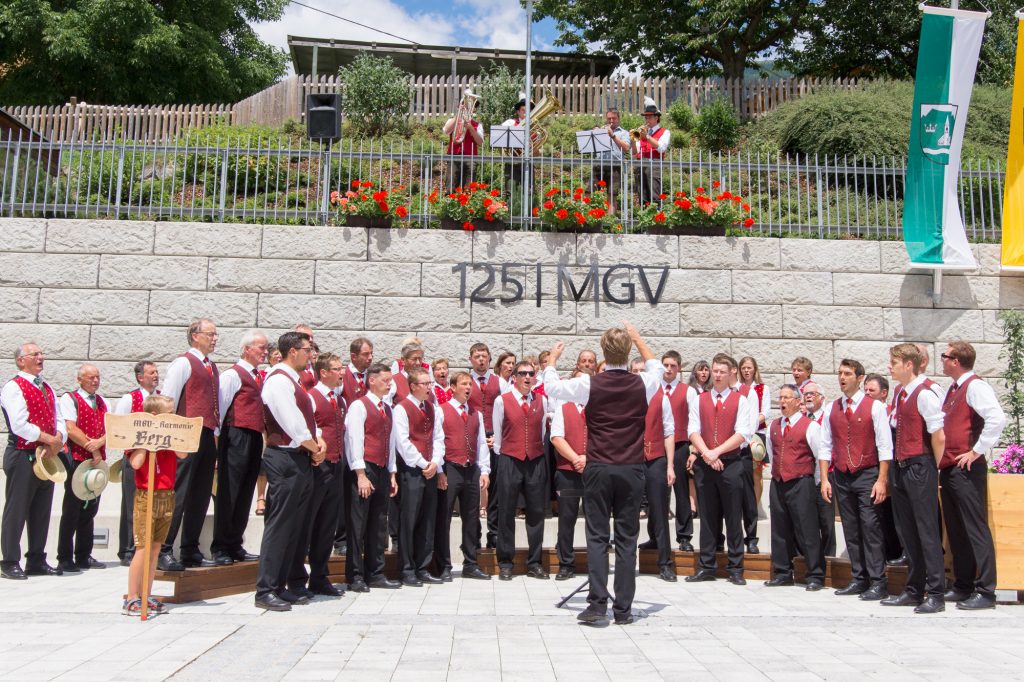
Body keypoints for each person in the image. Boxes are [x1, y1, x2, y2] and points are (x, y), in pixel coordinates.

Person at [542, 322, 665, 626]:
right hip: (631, 468)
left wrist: (553, 361)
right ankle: (623, 609)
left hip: (598, 467)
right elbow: (657, 366)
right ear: (627, 351)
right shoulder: (643, 383)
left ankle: (597, 604)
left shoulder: (589, 384)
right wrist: (638, 338)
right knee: (626, 539)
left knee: (597, 537)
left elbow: (552, 388)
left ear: (602, 352)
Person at [255, 331, 325, 612]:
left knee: (294, 527)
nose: (311, 355)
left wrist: (316, 442)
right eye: (307, 349)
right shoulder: (277, 382)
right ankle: (266, 589)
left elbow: (307, 422)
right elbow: (292, 425)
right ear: (292, 351)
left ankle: (281, 584)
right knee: (280, 525)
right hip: (284, 458)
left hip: (300, 458)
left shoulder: (294, 382)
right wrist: (314, 447)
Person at [938, 341, 1006, 610]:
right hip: (950, 468)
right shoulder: (953, 389)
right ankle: (963, 584)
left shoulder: (975, 386)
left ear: (956, 360)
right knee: (956, 529)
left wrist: (976, 451)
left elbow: (996, 418)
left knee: (975, 528)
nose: (940, 360)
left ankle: (987, 591)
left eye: (944, 356)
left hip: (966, 468)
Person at [819, 359, 893, 601]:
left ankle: (878, 581)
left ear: (859, 378)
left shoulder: (874, 407)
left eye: (847, 373)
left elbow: (884, 445)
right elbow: (825, 445)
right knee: (851, 528)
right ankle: (858, 578)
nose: (842, 377)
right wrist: (825, 479)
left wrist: (882, 480)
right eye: (840, 373)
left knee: (870, 527)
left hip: (867, 473)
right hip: (841, 474)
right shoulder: (832, 408)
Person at [882, 343, 946, 614]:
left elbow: (938, 435)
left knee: (927, 531)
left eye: (894, 363)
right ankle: (913, 588)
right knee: (907, 531)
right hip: (902, 465)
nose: (890, 367)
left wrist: (934, 469)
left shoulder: (924, 393)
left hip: (920, 465)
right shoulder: (900, 392)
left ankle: (937, 593)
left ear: (909, 364)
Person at [686, 353, 755, 586]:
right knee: (707, 517)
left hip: (731, 464)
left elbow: (743, 433)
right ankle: (706, 565)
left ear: (731, 373)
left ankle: (736, 568)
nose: (716, 375)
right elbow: (693, 430)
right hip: (706, 465)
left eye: (721, 372)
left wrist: (717, 452)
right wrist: (706, 453)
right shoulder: (700, 399)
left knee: (733, 517)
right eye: (714, 371)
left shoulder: (740, 400)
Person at [0, 343, 67, 580]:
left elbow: (58, 417)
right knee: (17, 508)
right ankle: (9, 561)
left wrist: (59, 438)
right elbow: (19, 424)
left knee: (41, 509)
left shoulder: (46, 386)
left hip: (46, 455)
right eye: (35, 354)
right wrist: (48, 438)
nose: (41, 357)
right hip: (22, 454)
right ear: (21, 361)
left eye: (41, 354)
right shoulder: (13, 387)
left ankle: (36, 559)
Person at [159, 318, 221, 571]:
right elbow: (168, 400)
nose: (215, 338)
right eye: (210, 334)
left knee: (201, 493)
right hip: (185, 433)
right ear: (195, 336)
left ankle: (190, 548)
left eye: (216, 334)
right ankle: (164, 548)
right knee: (179, 492)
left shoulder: (212, 367)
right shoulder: (183, 363)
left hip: (206, 433)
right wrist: (172, 438)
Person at [123, 394, 188, 616]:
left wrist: (168, 435)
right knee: (143, 547)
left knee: (156, 548)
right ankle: (132, 597)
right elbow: (136, 463)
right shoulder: (139, 436)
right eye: (168, 413)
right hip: (146, 495)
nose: (172, 416)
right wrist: (148, 443)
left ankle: (146, 593)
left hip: (166, 494)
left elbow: (183, 453)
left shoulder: (170, 435)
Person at [293, 352, 347, 598]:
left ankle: (319, 577)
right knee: (307, 523)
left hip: (336, 466)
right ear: (323, 372)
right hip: (317, 467)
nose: (341, 372)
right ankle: (296, 579)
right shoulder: (311, 397)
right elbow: (305, 428)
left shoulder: (339, 399)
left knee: (327, 525)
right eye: (336, 369)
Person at [212, 330, 268, 566]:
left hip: (254, 436)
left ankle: (236, 543)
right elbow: (221, 411)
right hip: (235, 435)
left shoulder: (258, 377)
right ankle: (221, 546)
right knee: (230, 491)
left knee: (245, 491)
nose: (265, 352)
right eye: (261, 348)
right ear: (247, 349)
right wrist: (217, 447)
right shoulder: (232, 375)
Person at [763, 384, 825, 590]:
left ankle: (815, 574)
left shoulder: (811, 426)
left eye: (787, 398)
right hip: (779, 482)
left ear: (798, 402)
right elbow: (773, 455)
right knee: (779, 529)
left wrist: (815, 482)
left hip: (801, 482)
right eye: (780, 398)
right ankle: (782, 572)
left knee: (807, 530)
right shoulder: (774, 426)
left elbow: (820, 456)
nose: (782, 402)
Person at [344, 363, 400, 592]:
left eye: (391, 380)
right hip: (364, 468)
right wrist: (360, 474)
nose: (390, 384)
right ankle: (355, 575)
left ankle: (376, 572)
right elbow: (354, 440)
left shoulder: (387, 408)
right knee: (358, 525)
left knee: (379, 523)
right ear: (372, 381)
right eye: (385, 380)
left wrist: (392, 473)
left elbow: (391, 442)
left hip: (382, 468)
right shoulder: (359, 406)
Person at [492, 360, 550, 580]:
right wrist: (505, 455)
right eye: (522, 373)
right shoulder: (501, 401)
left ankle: (534, 562)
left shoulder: (542, 400)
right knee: (506, 510)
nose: (527, 377)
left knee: (536, 513)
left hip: (535, 460)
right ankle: (505, 562)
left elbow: (542, 429)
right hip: (510, 459)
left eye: (531, 373)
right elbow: (498, 433)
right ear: (514, 377)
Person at [432, 371, 491, 581]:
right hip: (450, 468)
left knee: (472, 518)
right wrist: (439, 470)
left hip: (471, 468)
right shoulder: (441, 411)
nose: (468, 388)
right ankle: (444, 565)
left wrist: (484, 470)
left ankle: (471, 563)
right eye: (464, 384)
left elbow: (481, 443)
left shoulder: (477, 414)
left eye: (470, 385)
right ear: (453, 387)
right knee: (444, 518)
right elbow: (436, 442)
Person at [393, 366, 443, 586]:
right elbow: (403, 442)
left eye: (430, 383)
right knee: (409, 520)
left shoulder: (432, 408)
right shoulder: (402, 408)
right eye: (425, 384)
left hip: (430, 469)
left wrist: (436, 463)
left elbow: (439, 438)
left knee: (427, 519)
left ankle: (423, 567)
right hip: (412, 471)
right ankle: (406, 569)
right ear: (413, 386)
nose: (429, 387)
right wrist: (424, 463)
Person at [56, 363, 108, 573]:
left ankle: (84, 555)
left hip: (96, 464)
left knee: (91, 508)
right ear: (80, 379)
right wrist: (92, 447)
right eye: (90, 378)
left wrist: (100, 442)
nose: (95, 381)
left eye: (97, 377)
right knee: (72, 508)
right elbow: (71, 428)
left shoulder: (103, 402)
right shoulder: (70, 399)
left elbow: (111, 427)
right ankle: (65, 557)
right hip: (78, 459)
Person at [113, 361, 159, 567]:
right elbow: (119, 426)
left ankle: (146, 546)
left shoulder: (161, 398)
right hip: (134, 458)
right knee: (131, 504)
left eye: (157, 372)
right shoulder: (129, 399)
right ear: (140, 377)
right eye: (151, 372)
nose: (156, 375)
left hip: (155, 460)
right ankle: (128, 549)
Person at [549, 368, 591, 581]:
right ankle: (566, 562)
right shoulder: (563, 408)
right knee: (567, 519)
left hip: (593, 471)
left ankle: (596, 562)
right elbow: (556, 437)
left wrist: (588, 458)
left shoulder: (597, 408)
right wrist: (575, 458)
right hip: (568, 472)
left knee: (595, 519)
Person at [638, 366, 676, 581]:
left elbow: (669, 431)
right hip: (631, 460)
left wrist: (670, 465)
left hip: (655, 460)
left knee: (659, 511)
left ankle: (665, 563)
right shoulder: (627, 397)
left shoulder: (661, 398)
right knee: (627, 512)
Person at [336, 336, 373, 556]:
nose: (370, 358)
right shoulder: (343, 376)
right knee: (343, 491)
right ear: (353, 356)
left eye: (371, 354)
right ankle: (341, 538)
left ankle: (362, 538)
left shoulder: (372, 377)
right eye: (366, 354)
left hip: (368, 442)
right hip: (344, 441)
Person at [468, 342, 506, 548]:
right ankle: (474, 534)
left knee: (496, 488)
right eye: (477, 356)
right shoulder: (465, 382)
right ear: (471, 359)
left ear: (490, 359)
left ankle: (494, 533)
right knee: (473, 488)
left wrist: (497, 438)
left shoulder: (500, 382)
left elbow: (506, 411)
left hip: (494, 437)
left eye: (484, 356)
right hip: (472, 438)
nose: (481, 359)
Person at [865, 373, 904, 564]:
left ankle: (899, 550)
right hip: (871, 469)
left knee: (893, 512)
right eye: (865, 390)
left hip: (891, 468)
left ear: (884, 393)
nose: (867, 394)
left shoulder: (889, 413)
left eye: (871, 390)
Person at [659, 351, 697, 552]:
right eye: (665, 364)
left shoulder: (688, 391)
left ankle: (684, 536)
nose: (668, 369)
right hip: (658, 446)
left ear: (679, 368)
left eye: (673, 365)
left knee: (681, 492)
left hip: (681, 445)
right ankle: (657, 537)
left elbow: (695, 423)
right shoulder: (654, 389)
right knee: (658, 493)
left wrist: (694, 450)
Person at [802, 381, 836, 557]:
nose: (808, 397)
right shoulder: (800, 418)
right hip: (805, 478)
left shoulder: (828, 417)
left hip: (825, 475)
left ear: (822, 398)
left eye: (812, 394)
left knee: (826, 522)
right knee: (808, 521)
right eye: (806, 394)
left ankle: (829, 558)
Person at [739, 356, 771, 524]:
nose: (746, 370)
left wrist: (750, 425)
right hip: (741, 434)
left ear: (754, 369)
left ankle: (755, 506)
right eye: (743, 367)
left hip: (757, 432)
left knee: (757, 472)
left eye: (749, 367)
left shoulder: (762, 388)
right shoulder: (737, 388)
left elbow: (765, 412)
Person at [591, 108, 632, 213]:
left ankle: (610, 224)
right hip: (599, 165)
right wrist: (595, 133)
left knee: (612, 195)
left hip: (615, 167)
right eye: (609, 118)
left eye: (614, 118)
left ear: (618, 119)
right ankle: (590, 219)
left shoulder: (624, 133)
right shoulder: (601, 130)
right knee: (590, 192)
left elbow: (626, 148)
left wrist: (612, 136)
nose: (611, 121)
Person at [633, 97, 670, 206]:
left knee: (655, 195)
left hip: (654, 164)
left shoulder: (665, 132)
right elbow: (634, 152)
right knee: (642, 196)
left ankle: (657, 220)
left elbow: (662, 147)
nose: (647, 120)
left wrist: (647, 137)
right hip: (641, 163)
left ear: (656, 118)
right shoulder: (642, 132)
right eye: (646, 117)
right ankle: (644, 218)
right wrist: (633, 140)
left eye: (649, 117)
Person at [442, 101, 483, 192]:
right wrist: (458, 115)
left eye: (471, 107)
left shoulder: (477, 125)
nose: (468, 109)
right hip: (454, 155)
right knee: (451, 185)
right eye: (465, 106)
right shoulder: (452, 120)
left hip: (470, 157)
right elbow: (446, 130)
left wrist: (471, 129)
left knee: (469, 187)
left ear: (474, 110)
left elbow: (480, 143)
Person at [295, 324, 317, 390]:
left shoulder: (315, 362)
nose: (310, 340)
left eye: (312, 337)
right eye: (306, 336)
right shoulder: (292, 363)